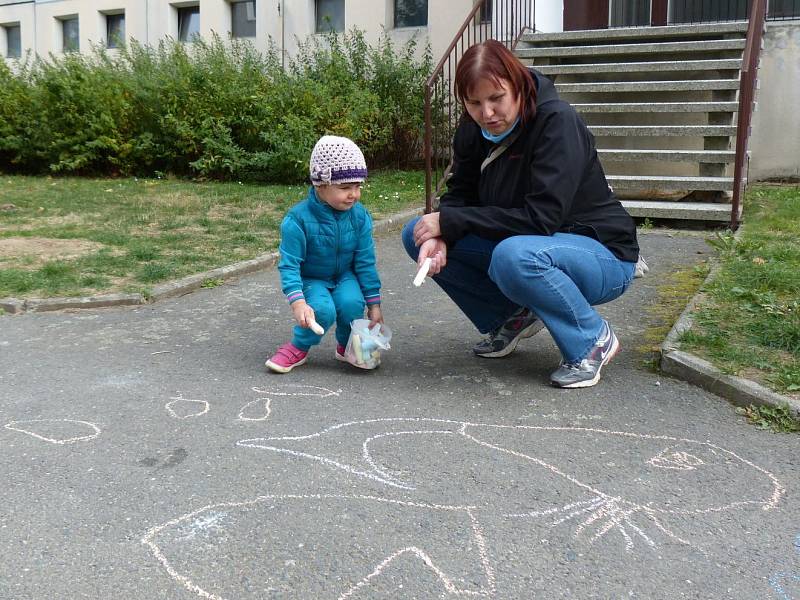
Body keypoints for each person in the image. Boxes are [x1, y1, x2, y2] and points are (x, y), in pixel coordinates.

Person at [402, 40, 639, 389]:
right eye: (474, 103)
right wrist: (442, 232)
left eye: (496, 98)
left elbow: (541, 218)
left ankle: (592, 340)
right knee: (418, 233)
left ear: (518, 85)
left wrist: (452, 221)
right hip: (534, 247)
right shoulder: (473, 131)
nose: (487, 113)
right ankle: (511, 316)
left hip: (602, 254)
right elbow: (461, 194)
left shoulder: (557, 122)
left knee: (514, 256)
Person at [266, 135, 383, 373]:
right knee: (321, 309)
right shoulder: (298, 220)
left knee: (351, 303)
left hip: (344, 275)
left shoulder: (359, 217)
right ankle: (298, 346)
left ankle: (347, 345)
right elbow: (289, 265)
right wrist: (298, 303)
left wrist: (374, 304)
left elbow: (365, 262)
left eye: (358, 186)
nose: (354, 194)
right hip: (313, 278)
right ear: (320, 185)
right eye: (345, 188)